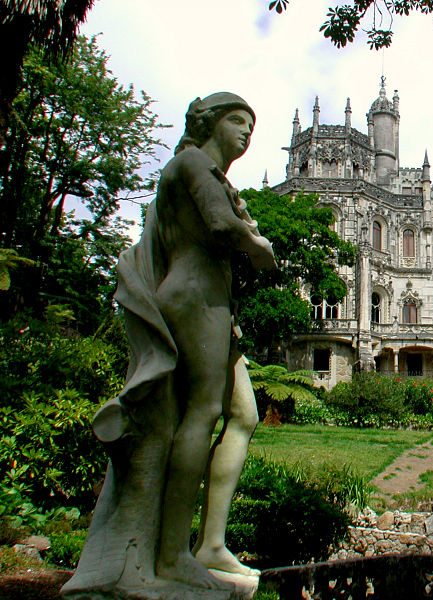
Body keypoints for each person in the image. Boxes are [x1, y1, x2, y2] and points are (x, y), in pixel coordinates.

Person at [62, 93, 274, 597]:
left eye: (252, 125)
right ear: (210, 122)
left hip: (215, 301)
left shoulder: (211, 174)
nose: (246, 132)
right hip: (195, 295)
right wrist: (257, 244)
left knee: (242, 414)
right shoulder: (193, 162)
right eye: (237, 121)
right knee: (199, 413)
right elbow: (220, 227)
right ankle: (172, 552)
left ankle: (211, 543)